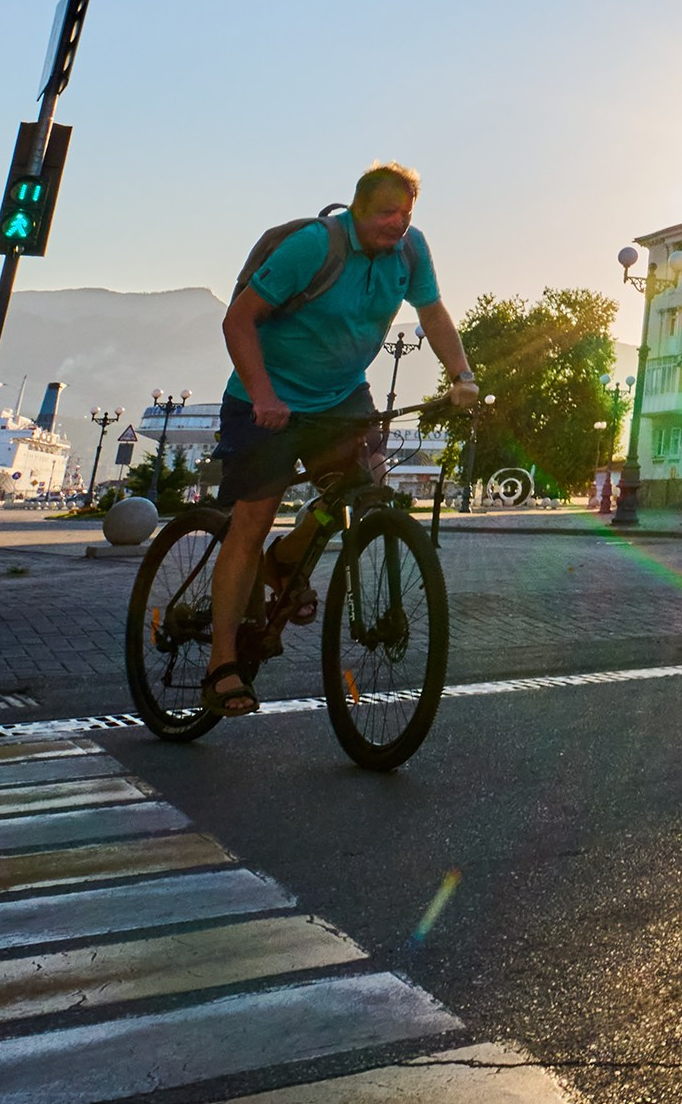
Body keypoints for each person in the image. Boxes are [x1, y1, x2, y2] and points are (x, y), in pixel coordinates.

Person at [204, 162, 480, 714]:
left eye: (406, 214)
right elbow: (239, 320)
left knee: (364, 489)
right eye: (386, 213)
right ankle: (221, 664)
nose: (397, 224)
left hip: (340, 396)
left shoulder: (410, 250)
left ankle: (283, 563)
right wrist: (263, 395)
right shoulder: (314, 247)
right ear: (358, 209)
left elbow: (432, 310)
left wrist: (462, 375)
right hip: (268, 398)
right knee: (252, 520)